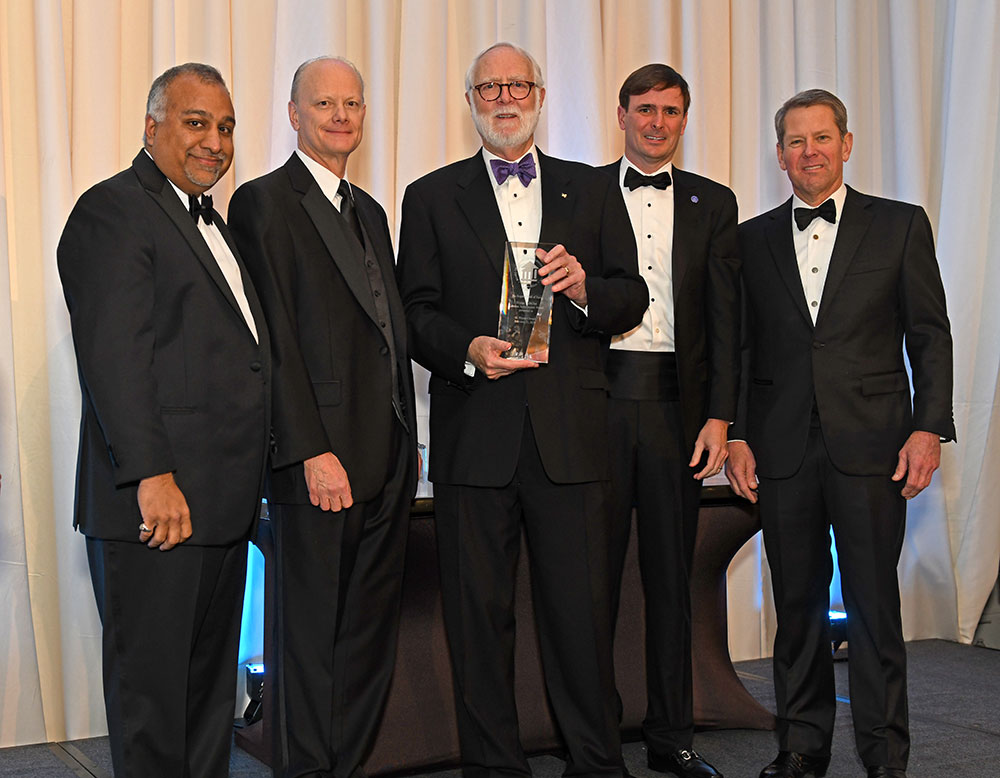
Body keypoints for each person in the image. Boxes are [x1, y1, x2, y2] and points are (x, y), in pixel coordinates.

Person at [396, 41, 647, 778]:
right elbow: (414, 314)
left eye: (517, 85)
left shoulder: (593, 189)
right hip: (477, 436)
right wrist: (469, 347)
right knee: (479, 622)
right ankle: (494, 769)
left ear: (540, 96)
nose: (504, 97)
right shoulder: (431, 195)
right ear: (471, 101)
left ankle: (596, 765)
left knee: (581, 616)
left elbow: (631, 293)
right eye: (489, 87)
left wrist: (582, 290)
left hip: (571, 438)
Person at [726, 89, 954, 778]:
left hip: (874, 444)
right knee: (794, 603)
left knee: (874, 606)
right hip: (782, 447)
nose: (810, 152)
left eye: (822, 138)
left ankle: (886, 755)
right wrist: (736, 435)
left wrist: (929, 431)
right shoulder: (751, 239)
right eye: (796, 142)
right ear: (779, 155)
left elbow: (930, 337)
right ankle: (801, 745)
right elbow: (739, 347)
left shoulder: (900, 225)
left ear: (846, 144)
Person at [57, 63, 270, 777]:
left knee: (206, 698)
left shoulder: (213, 222)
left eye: (227, 126)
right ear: (152, 128)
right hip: (157, 507)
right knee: (153, 707)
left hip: (219, 505)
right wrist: (152, 475)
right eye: (196, 122)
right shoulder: (112, 210)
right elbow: (117, 358)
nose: (215, 141)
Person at [228, 56, 416, 778]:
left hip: (388, 456)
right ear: (294, 114)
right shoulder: (263, 203)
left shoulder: (369, 209)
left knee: (367, 637)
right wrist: (309, 450)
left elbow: (386, 333)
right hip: (321, 464)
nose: (341, 116)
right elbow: (270, 339)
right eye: (325, 104)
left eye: (353, 104)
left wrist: (410, 438)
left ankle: (347, 764)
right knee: (307, 638)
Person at [599, 64, 739, 778]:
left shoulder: (715, 202)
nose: (657, 123)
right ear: (620, 113)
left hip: (678, 409)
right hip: (594, 407)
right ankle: (591, 742)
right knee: (587, 584)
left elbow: (725, 318)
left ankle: (671, 736)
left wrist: (722, 416)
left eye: (671, 111)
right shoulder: (580, 190)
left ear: (685, 119)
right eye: (645, 109)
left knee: (670, 582)